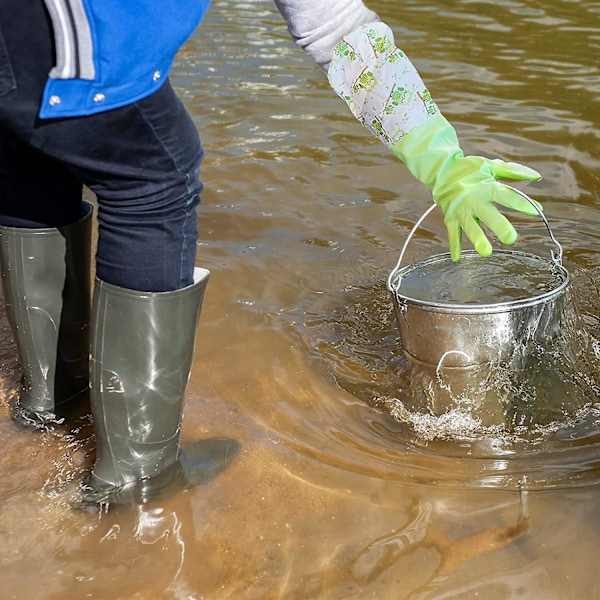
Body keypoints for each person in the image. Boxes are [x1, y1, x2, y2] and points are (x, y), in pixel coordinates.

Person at [0, 0, 541, 508]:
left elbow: (332, 22)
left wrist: (440, 159)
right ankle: (138, 477)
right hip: (60, 35)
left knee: (31, 156)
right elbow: (338, 28)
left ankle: (51, 403)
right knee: (156, 177)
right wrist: (441, 159)